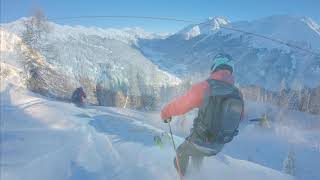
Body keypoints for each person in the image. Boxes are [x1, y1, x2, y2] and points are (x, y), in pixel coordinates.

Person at [160, 53, 244, 176]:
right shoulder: (237, 93)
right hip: (219, 145)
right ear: (231, 70)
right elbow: (239, 118)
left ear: (214, 67)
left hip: (200, 141)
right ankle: (197, 175)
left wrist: (165, 112)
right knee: (196, 153)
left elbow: (182, 104)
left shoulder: (205, 86)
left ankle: (181, 177)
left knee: (181, 153)